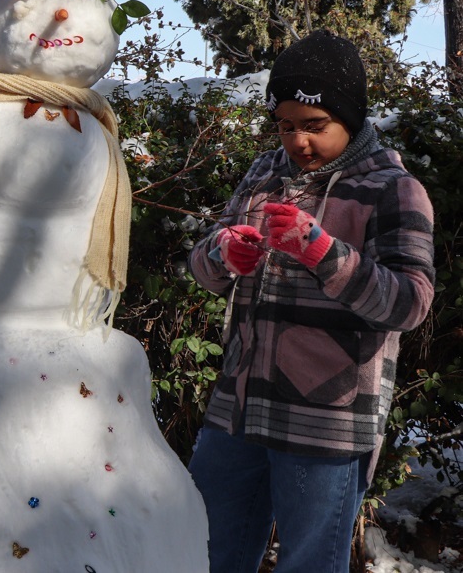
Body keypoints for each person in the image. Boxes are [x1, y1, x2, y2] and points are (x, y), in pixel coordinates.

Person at [186, 29, 436, 573]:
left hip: (327, 423)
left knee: (311, 563)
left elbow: (411, 304)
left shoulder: (394, 190)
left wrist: (324, 253)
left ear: (351, 117)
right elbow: (203, 268)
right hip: (237, 411)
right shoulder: (263, 174)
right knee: (205, 552)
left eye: (314, 126)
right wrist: (224, 253)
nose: (297, 141)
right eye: (286, 126)